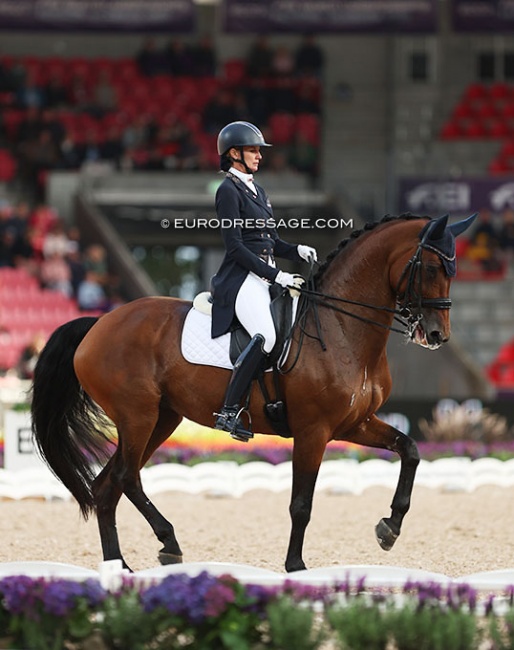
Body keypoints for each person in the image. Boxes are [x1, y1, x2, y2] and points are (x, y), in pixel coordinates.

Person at [211, 121, 317, 442]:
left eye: (259, 150)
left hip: (264, 277)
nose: (259, 156)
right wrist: (277, 275)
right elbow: (236, 247)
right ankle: (229, 410)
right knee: (267, 337)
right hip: (242, 279)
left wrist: (295, 250)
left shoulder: (257, 189)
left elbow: (272, 241)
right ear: (234, 154)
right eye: (253, 150)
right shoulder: (228, 191)